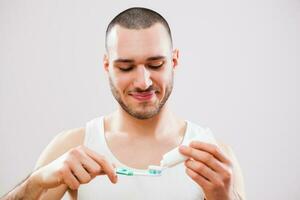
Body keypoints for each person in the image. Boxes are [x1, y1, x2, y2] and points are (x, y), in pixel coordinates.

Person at [1, 7, 245, 200]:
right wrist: (38, 181)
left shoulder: (214, 158)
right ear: (107, 66)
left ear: (174, 60)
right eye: (126, 67)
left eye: (156, 64)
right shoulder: (72, 146)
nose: (143, 82)